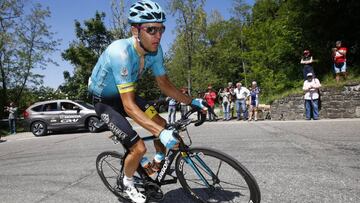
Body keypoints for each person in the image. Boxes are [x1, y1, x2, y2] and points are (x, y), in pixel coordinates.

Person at [87, 1, 207, 202]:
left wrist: (192, 101)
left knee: (161, 123)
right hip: (106, 102)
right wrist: (161, 134)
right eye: (151, 30)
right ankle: (127, 182)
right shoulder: (121, 52)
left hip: (128, 95)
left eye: (161, 29)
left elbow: (166, 86)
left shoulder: (155, 51)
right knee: (139, 147)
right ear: (135, 30)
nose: (158, 36)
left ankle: (158, 160)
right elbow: (128, 107)